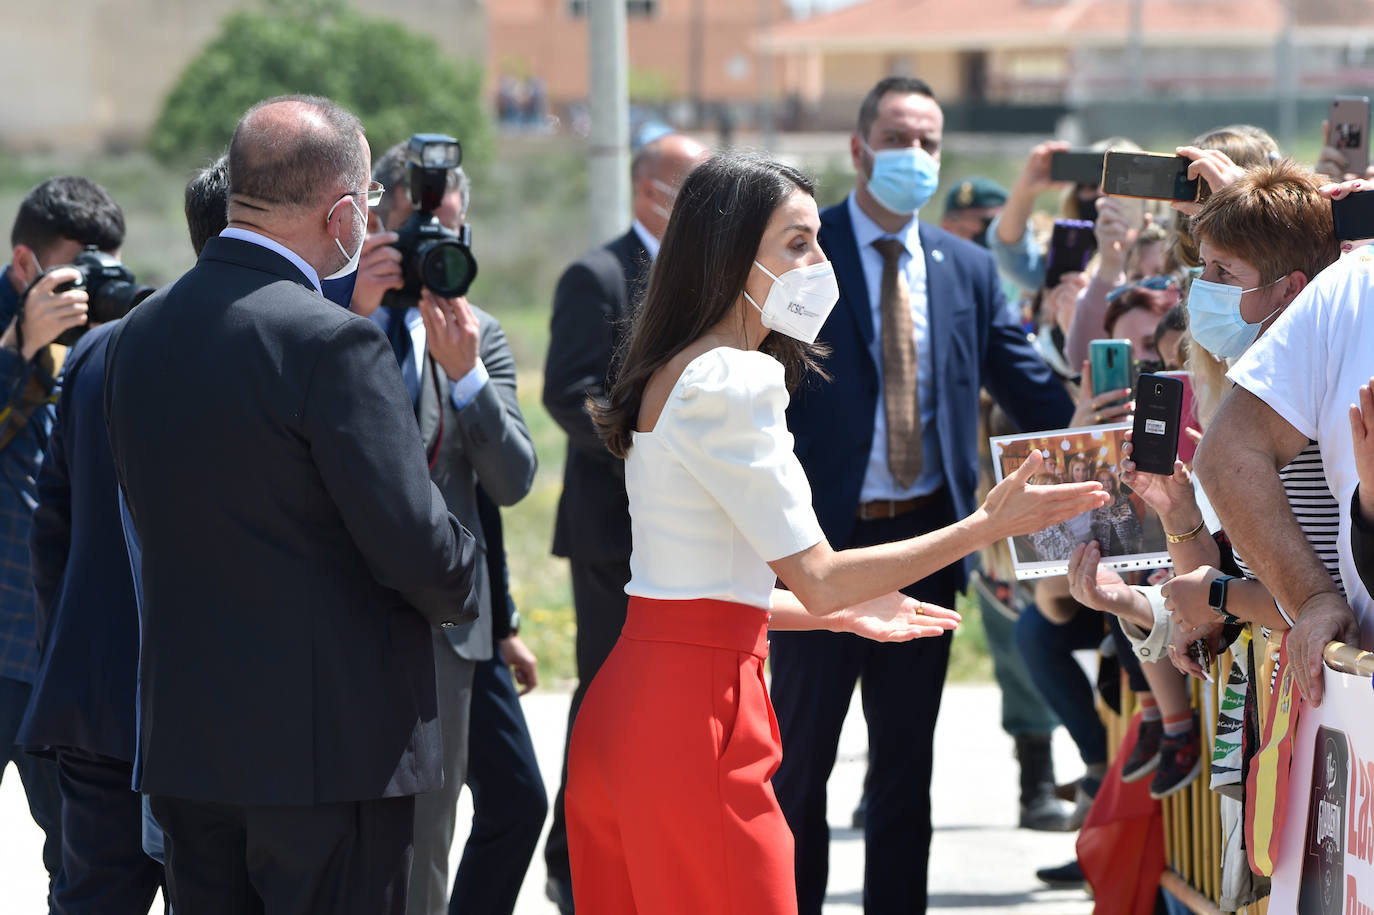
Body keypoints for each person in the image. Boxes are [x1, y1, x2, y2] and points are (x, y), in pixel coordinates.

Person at [567, 149, 1107, 915]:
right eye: (798, 243)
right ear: (729, 255)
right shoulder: (735, 378)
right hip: (695, 720)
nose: (822, 262)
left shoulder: (679, 368)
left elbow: (702, 594)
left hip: (638, 704)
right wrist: (986, 525)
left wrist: (839, 612)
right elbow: (817, 575)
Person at [103, 95, 479, 914]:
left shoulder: (139, 332)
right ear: (342, 215)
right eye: (368, 201)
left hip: (189, 747)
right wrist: (465, 566)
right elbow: (417, 547)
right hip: (331, 756)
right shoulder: (333, 341)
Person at [771, 77, 1078, 915]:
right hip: (819, 552)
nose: (916, 155)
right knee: (800, 766)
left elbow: (1031, 388)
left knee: (907, 768)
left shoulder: (965, 267)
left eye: (929, 142)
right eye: (898, 138)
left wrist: (1104, 420)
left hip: (927, 547)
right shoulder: (805, 252)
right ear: (859, 149)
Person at [351, 139, 539, 915]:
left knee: (433, 834)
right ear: (373, 227)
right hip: (347, 611)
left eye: (448, 236)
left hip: (445, 626)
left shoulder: (479, 333)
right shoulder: (334, 317)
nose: (432, 251)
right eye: (415, 235)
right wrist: (354, 314)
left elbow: (513, 480)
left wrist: (466, 378)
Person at [541, 130, 708, 912]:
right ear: (651, 190)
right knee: (609, 698)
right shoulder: (599, 274)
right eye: (696, 187)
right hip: (616, 530)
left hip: (689, 533)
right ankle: (572, 860)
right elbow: (569, 390)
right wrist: (649, 445)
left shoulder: (708, 277)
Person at [1193, 172, 1369, 707]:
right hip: (1336, 673)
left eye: (1223, 272)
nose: (1203, 286)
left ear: (1292, 288)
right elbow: (1225, 463)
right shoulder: (1351, 286)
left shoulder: (1349, 283)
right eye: (1204, 268)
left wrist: (1224, 596)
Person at [0, 176, 125, 904]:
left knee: (76, 864)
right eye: (77, 273)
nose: (89, 292)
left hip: (52, 652)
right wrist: (18, 346)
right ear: (25, 265)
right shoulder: (12, 334)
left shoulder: (104, 346)